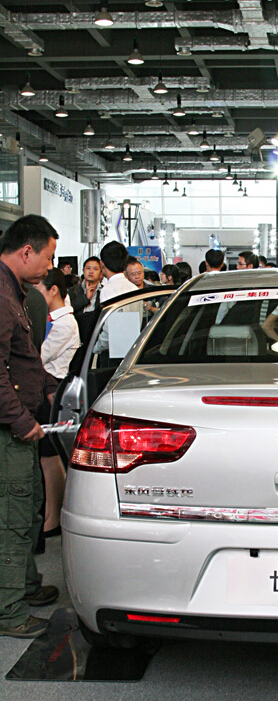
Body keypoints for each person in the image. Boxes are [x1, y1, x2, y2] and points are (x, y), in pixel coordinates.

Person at [0, 214, 60, 639]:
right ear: (26, 251)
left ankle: (25, 586)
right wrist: (22, 422)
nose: (50, 266)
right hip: (11, 431)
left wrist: (51, 388)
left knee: (29, 507)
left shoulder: (14, 292)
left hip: (21, 426)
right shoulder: (2, 298)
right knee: (13, 519)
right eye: (49, 257)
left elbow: (24, 361)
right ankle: (8, 611)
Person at [35, 268, 80, 540]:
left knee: (49, 456)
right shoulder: (51, 318)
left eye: (38, 290)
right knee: (45, 456)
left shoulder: (65, 323)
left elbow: (39, 356)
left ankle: (53, 519)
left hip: (53, 388)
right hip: (44, 386)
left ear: (53, 290)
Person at [71, 255, 102, 344]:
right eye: (88, 268)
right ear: (83, 270)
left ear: (101, 273)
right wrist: (86, 298)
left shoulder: (104, 291)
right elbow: (70, 308)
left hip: (96, 334)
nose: (91, 271)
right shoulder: (73, 290)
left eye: (95, 269)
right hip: (77, 334)